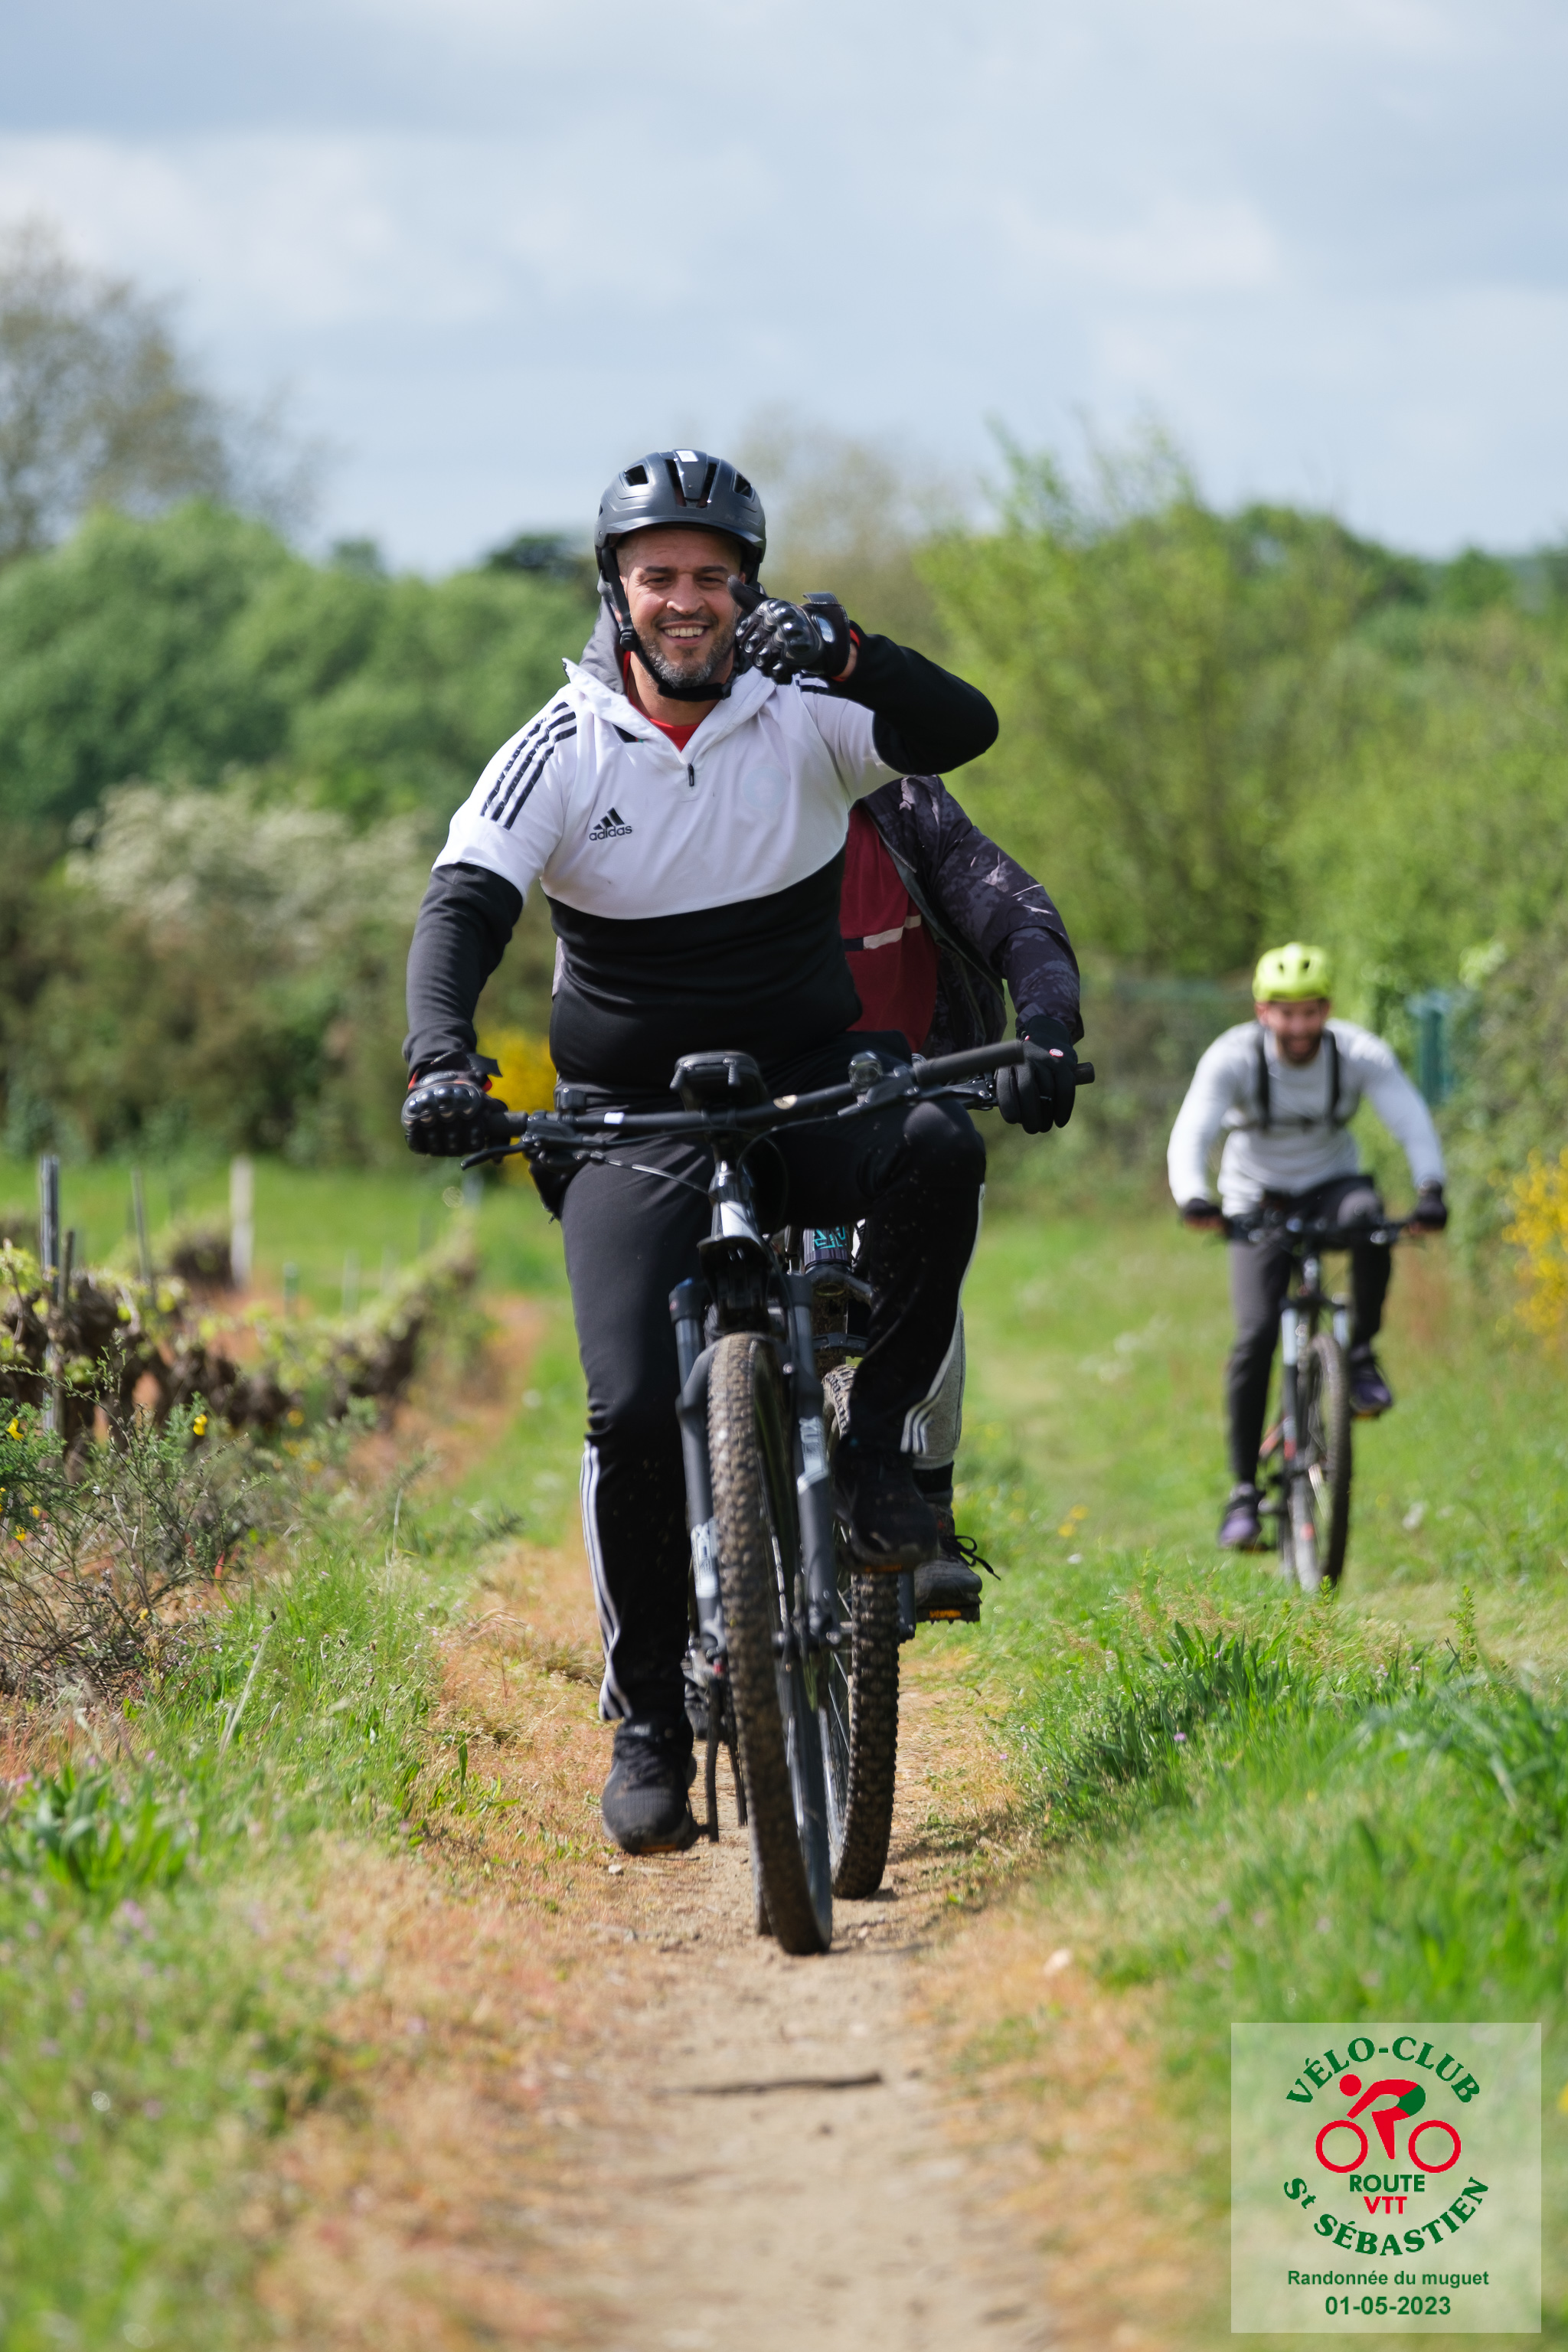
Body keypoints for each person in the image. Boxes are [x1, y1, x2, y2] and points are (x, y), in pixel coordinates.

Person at [402, 449, 1086, 1852]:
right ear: (616, 590)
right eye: (657, 575)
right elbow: (463, 903)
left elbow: (962, 728)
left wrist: (851, 648)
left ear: (748, 590)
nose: (686, 600)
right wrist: (439, 1060)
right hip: (631, 1116)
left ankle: (881, 1454)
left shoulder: (803, 714)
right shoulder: (563, 744)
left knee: (936, 1151)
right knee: (626, 1408)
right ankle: (650, 1723)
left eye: (712, 576)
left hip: (810, 1084)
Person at [575, 598, 1083, 1623]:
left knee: (923, 1245)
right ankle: (678, 1564)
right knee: (656, 1346)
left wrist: (1047, 1029)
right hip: (716, 1110)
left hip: (890, 1093)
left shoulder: (901, 805)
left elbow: (1014, 912)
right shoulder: (666, 810)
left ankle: (920, 1487)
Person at [1167, 942, 1448, 1550]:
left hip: (1332, 1187)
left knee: (1370, 1220)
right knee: (1255, 1336)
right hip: (1256, 1199)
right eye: (1285, 1012)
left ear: (1327, 1009)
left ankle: (1361, 1353)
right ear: (1262, 1011)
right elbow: (1194, 1129)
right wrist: (1194, 1197)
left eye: (1310, 1011)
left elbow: (1410, 1118)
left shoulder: (1358, 1053)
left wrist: (1431, 1190)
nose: (1298, 1026)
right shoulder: (1232, 1057)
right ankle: (1244, 1492)